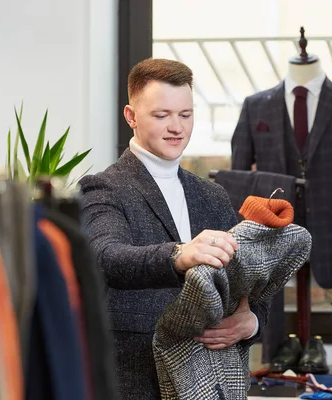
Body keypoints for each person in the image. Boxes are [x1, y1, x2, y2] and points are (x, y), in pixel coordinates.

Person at [78, 58, 268, 399]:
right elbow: (106, 256)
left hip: (210, 380)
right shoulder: (103, 187)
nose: (176, 127)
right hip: (137, 379)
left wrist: (251, 321)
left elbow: (253, 275)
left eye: (186, 114)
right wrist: (180, 255)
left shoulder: (211, 195)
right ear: (131, 116)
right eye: (161, 115)